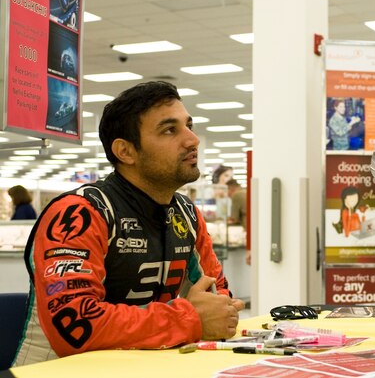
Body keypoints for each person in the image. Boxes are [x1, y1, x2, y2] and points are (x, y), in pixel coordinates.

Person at [14, 81, 246, 366]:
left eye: (189, 125)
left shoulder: (186, 215)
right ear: (125, 151)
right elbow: (76, 324)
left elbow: (218, 295)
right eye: (170, 130)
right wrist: (189, 318)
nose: (192, 140)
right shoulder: (80, 214)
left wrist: (215, 312)